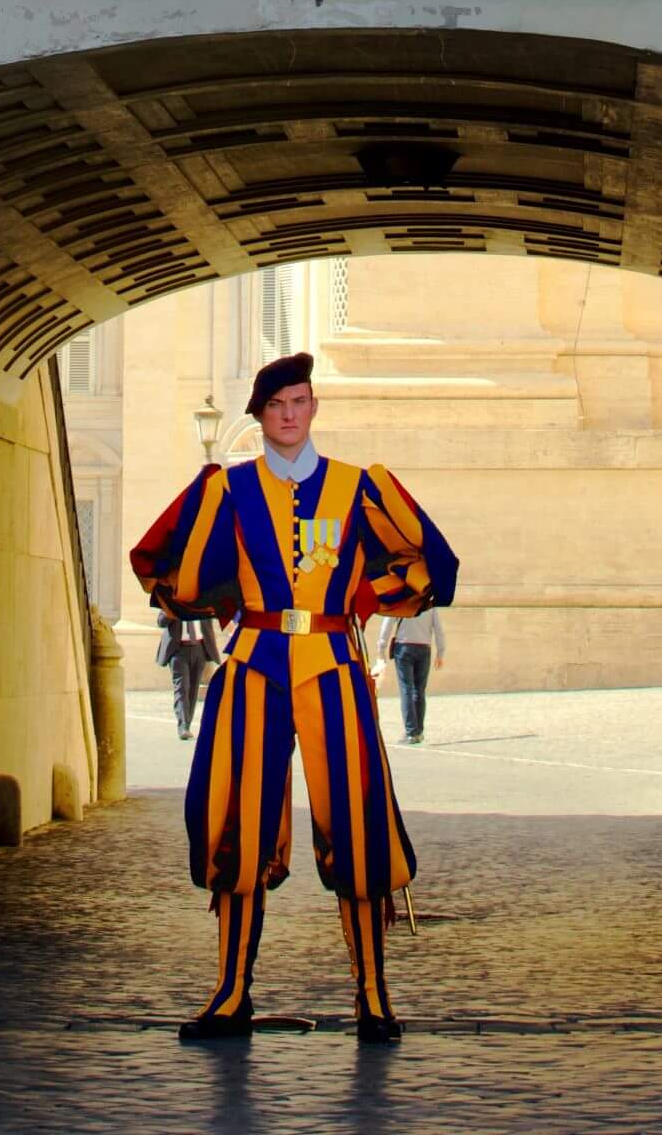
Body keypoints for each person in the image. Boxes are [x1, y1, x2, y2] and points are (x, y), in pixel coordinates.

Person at [131, 352, 458, 1045]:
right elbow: (178, 568)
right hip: (253, 665)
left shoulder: (357, 486)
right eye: (278, 404)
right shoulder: (230, 488)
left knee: (360, 824)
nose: (290, 414)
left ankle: (373, 994)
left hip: (334, 664)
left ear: (313, 409)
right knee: (238, 826)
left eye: (301, 401)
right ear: (261, 415)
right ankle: (229, 993)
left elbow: (420, 560)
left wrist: (377, 603)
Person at [374, 606, 446, 745]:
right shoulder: (429, 604)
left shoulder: (402, 601)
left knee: (406, 689)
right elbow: (439, 630)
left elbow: (387, 624)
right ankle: (418, 731)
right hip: (424, 649)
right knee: (419, 690)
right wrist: (440, 652)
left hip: (404, 647)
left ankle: (411, 732)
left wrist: (381, 648)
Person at [157, 605, 220, 740]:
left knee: (193, 690)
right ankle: (183, 726)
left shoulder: (202, 601)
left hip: (199, 649)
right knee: (182, 688)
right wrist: (173, 609)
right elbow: (161, 622)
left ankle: (187, 725)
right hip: (178, 651)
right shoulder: (171, 601)